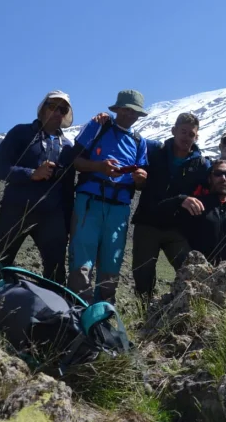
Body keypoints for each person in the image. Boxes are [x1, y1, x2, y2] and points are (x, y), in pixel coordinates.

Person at [131, 113, 226, 301]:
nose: (186, 137)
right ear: (173, 131)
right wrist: (107, 120)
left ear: (196, 137)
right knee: (143, 277)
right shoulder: (155, 151)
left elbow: (224, 175)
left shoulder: (200, 164)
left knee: (191, 271)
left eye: (191, 134)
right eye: (183, 132)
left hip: (176, 227)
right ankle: (145, 317)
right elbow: (131, 136)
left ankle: (194, 310)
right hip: (148, 223)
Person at [67, 90, 150, 303]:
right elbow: (75, 161)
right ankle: (76, 315)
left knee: (111, 264)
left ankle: (102, 317)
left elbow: (140, 181)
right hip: (89, 202)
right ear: (117, 109)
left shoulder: (139, 142)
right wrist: (99, 167)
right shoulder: (98, 126)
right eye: (127, 110)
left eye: (135, 113)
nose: (131, 116)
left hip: (119, 208)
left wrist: (140, 178)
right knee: (82, 261)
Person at [0, 91, 76, 283]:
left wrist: (67, 225)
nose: (57, 112)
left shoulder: (68, 147)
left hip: (52, 216)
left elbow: (69, 190)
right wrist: (31, 174)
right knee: (1, 263)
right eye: (52, 106)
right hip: (16, 209)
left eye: (63, 109)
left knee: (56, 271)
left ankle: (54, 311)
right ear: (42, 108)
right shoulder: (21, 133)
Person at [158, 159, 226, 264]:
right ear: (209, 179)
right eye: (218, 174)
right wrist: (179, 200)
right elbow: (159, 212)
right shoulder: (195, 203)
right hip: (199, 272)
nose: (223, 178)